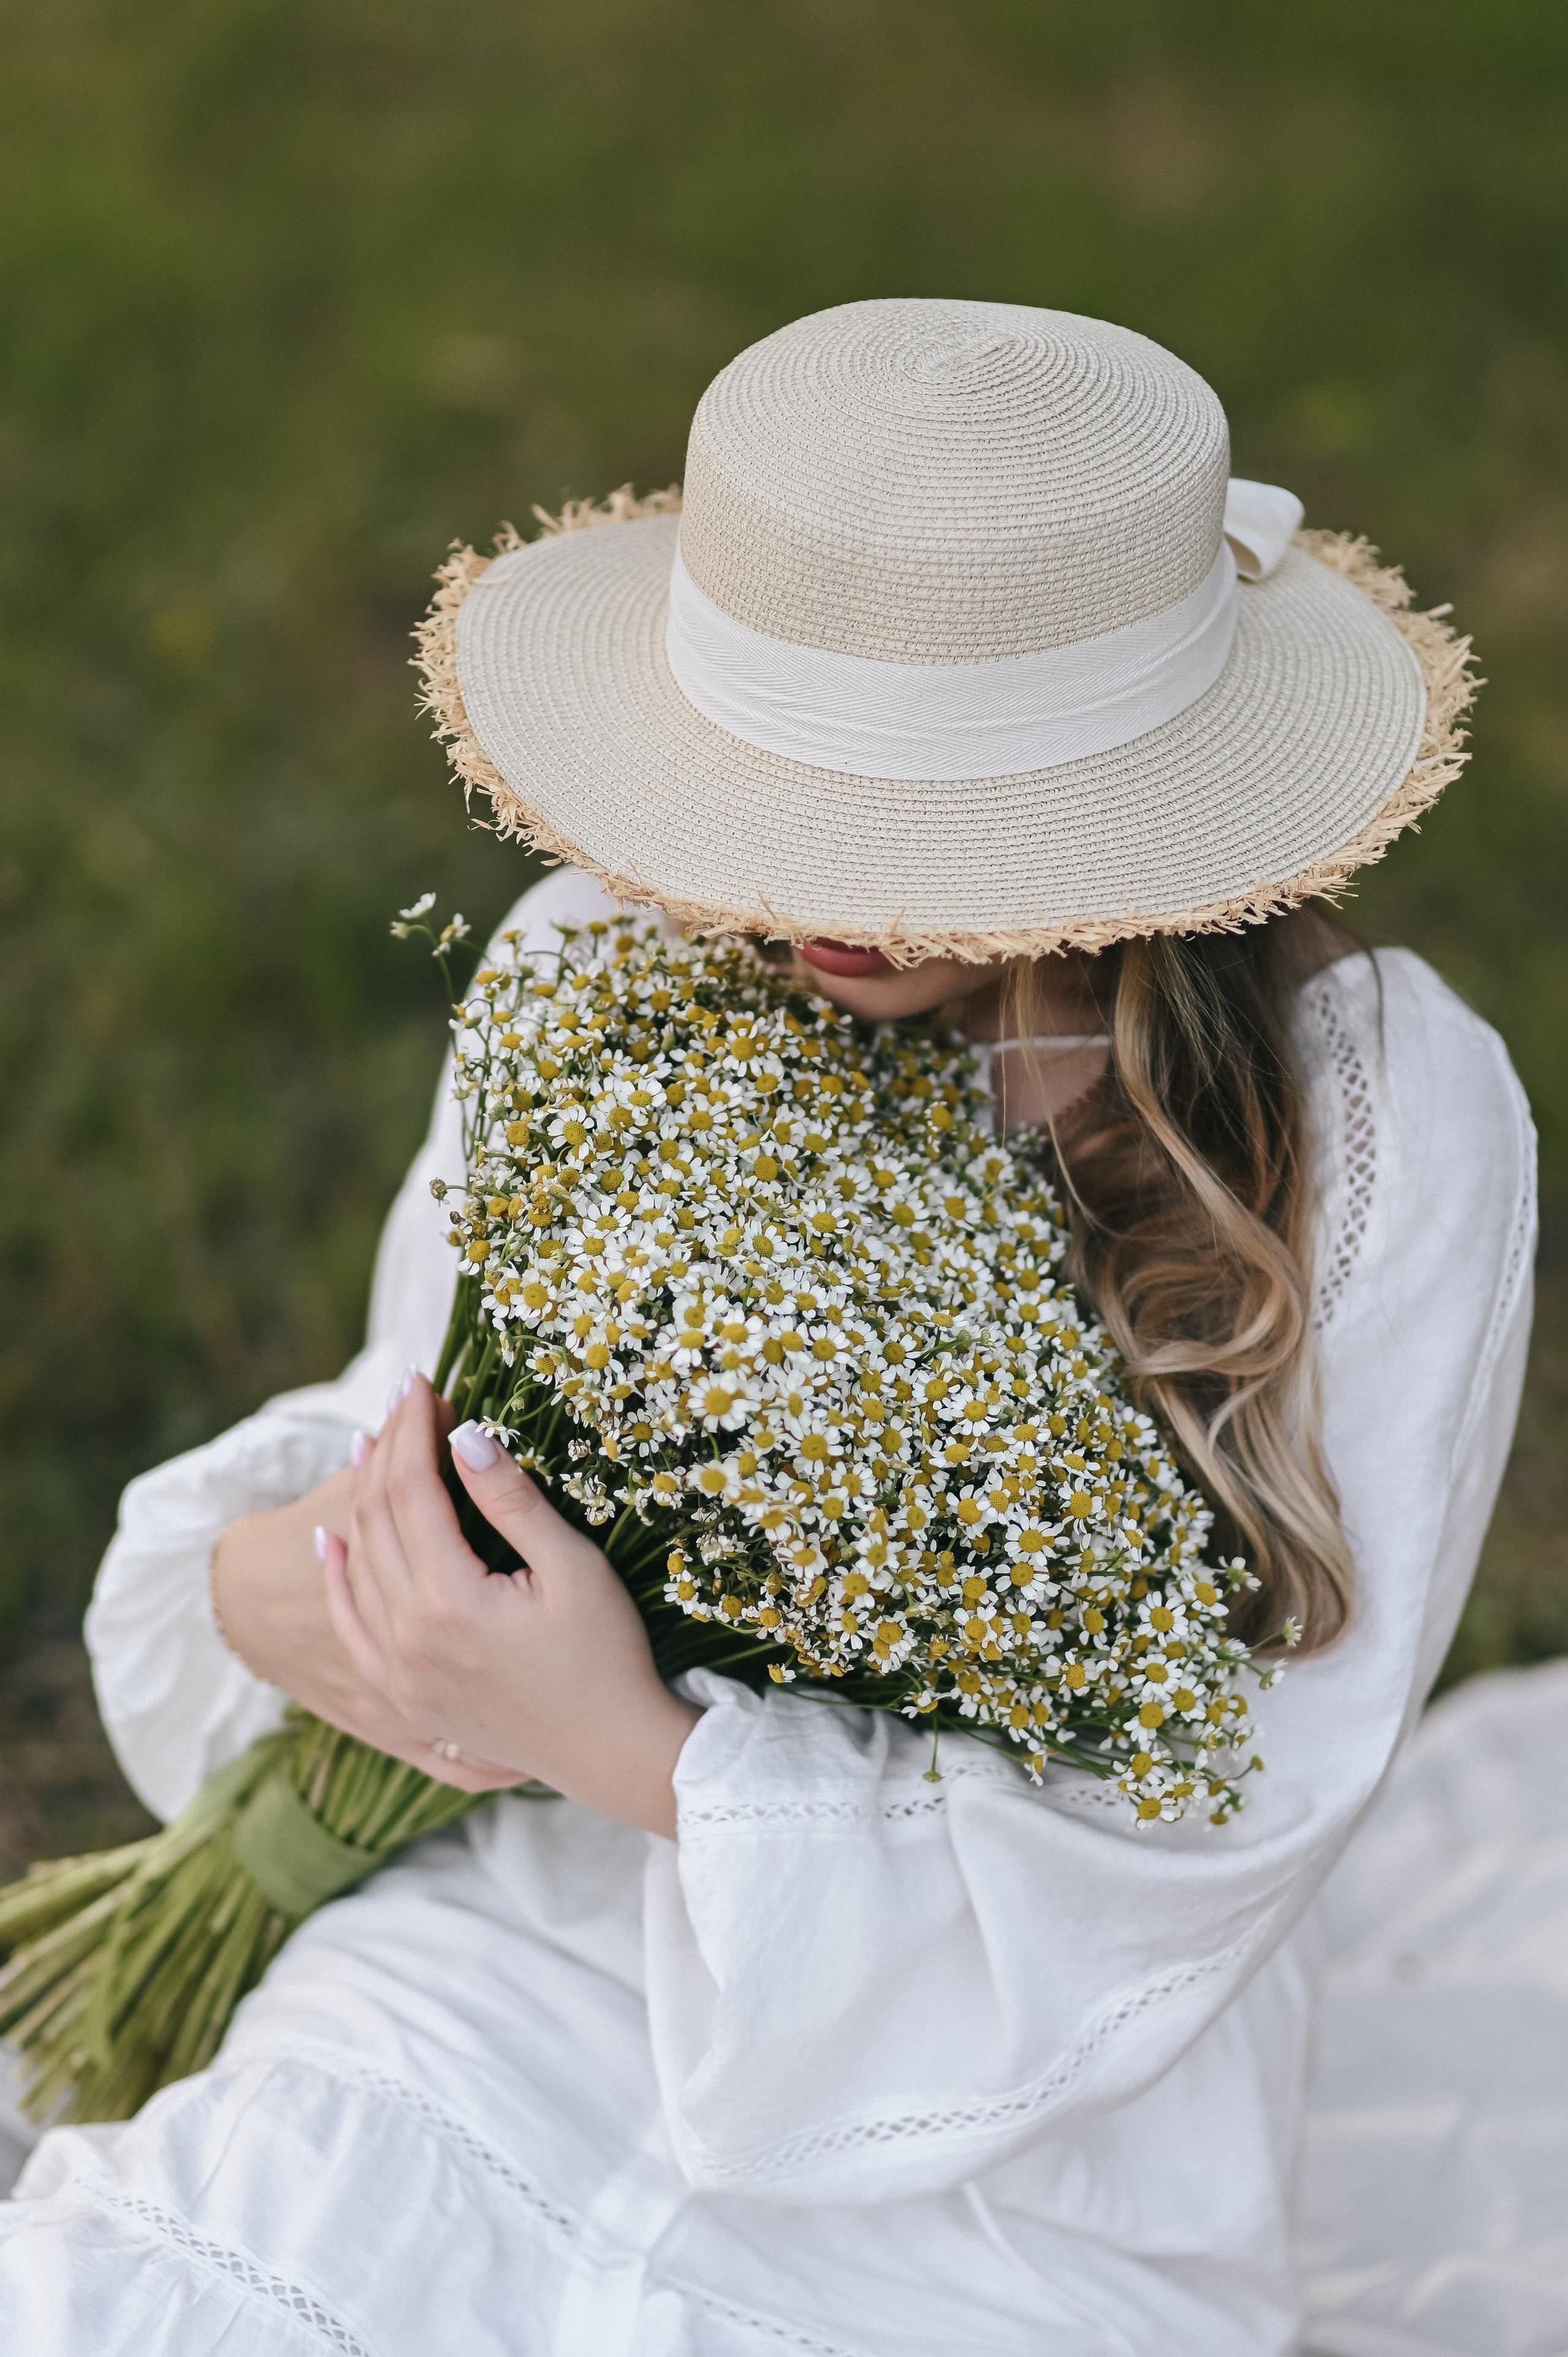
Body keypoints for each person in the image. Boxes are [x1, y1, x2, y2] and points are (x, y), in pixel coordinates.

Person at [0, 301, 1539, 2355]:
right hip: (502, 1957)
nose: (838, 893)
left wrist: (633, 1745)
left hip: (1008, 2147)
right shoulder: (602, 959)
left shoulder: (1371, 1121)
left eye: (927, 820)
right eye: (785, 790)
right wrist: (287, 1585)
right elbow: (419, 1422)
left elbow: (1236, 1807)